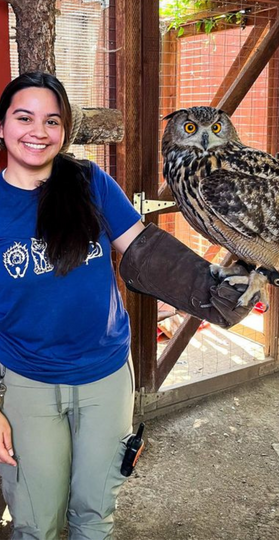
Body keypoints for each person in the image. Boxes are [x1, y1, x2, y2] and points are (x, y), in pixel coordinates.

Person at [0, 72, 251, 539]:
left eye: (52, 120)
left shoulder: (89, 182)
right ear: (2, 126)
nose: (39, 131)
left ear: (64, 129)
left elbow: (143, 251)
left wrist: (210, 286)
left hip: (106, 376)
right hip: (25, 382)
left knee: (95, 516)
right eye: (24, 117)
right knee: (37, 523)